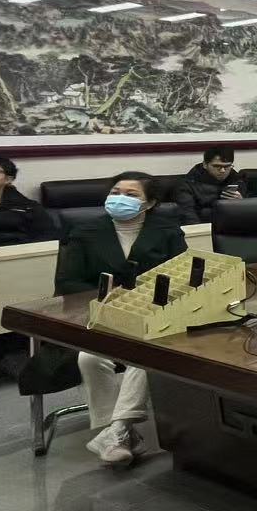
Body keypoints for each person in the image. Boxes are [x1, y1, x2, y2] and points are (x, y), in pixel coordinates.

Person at [56, 172, 188, 467]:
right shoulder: (85, 231)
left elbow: (182, 275)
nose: (120, 199)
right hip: (100, 316)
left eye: (131, 194)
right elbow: (67, 283)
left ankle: (116, 432)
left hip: (153, 316)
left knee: (145, 352)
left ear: (149, 203)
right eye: (116, 192)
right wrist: (106, 295)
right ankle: (120, 433)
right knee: (89, 358)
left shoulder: (167, 231)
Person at [172, 144, 242, 223]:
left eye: (227, 166)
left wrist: (241, 203)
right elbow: (188, 216)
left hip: (233, 226)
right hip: (203, 227)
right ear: (205, 165)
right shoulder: (187, 185)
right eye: (217, 166)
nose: (222, 170)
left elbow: (248, 214)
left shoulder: (237, 179)